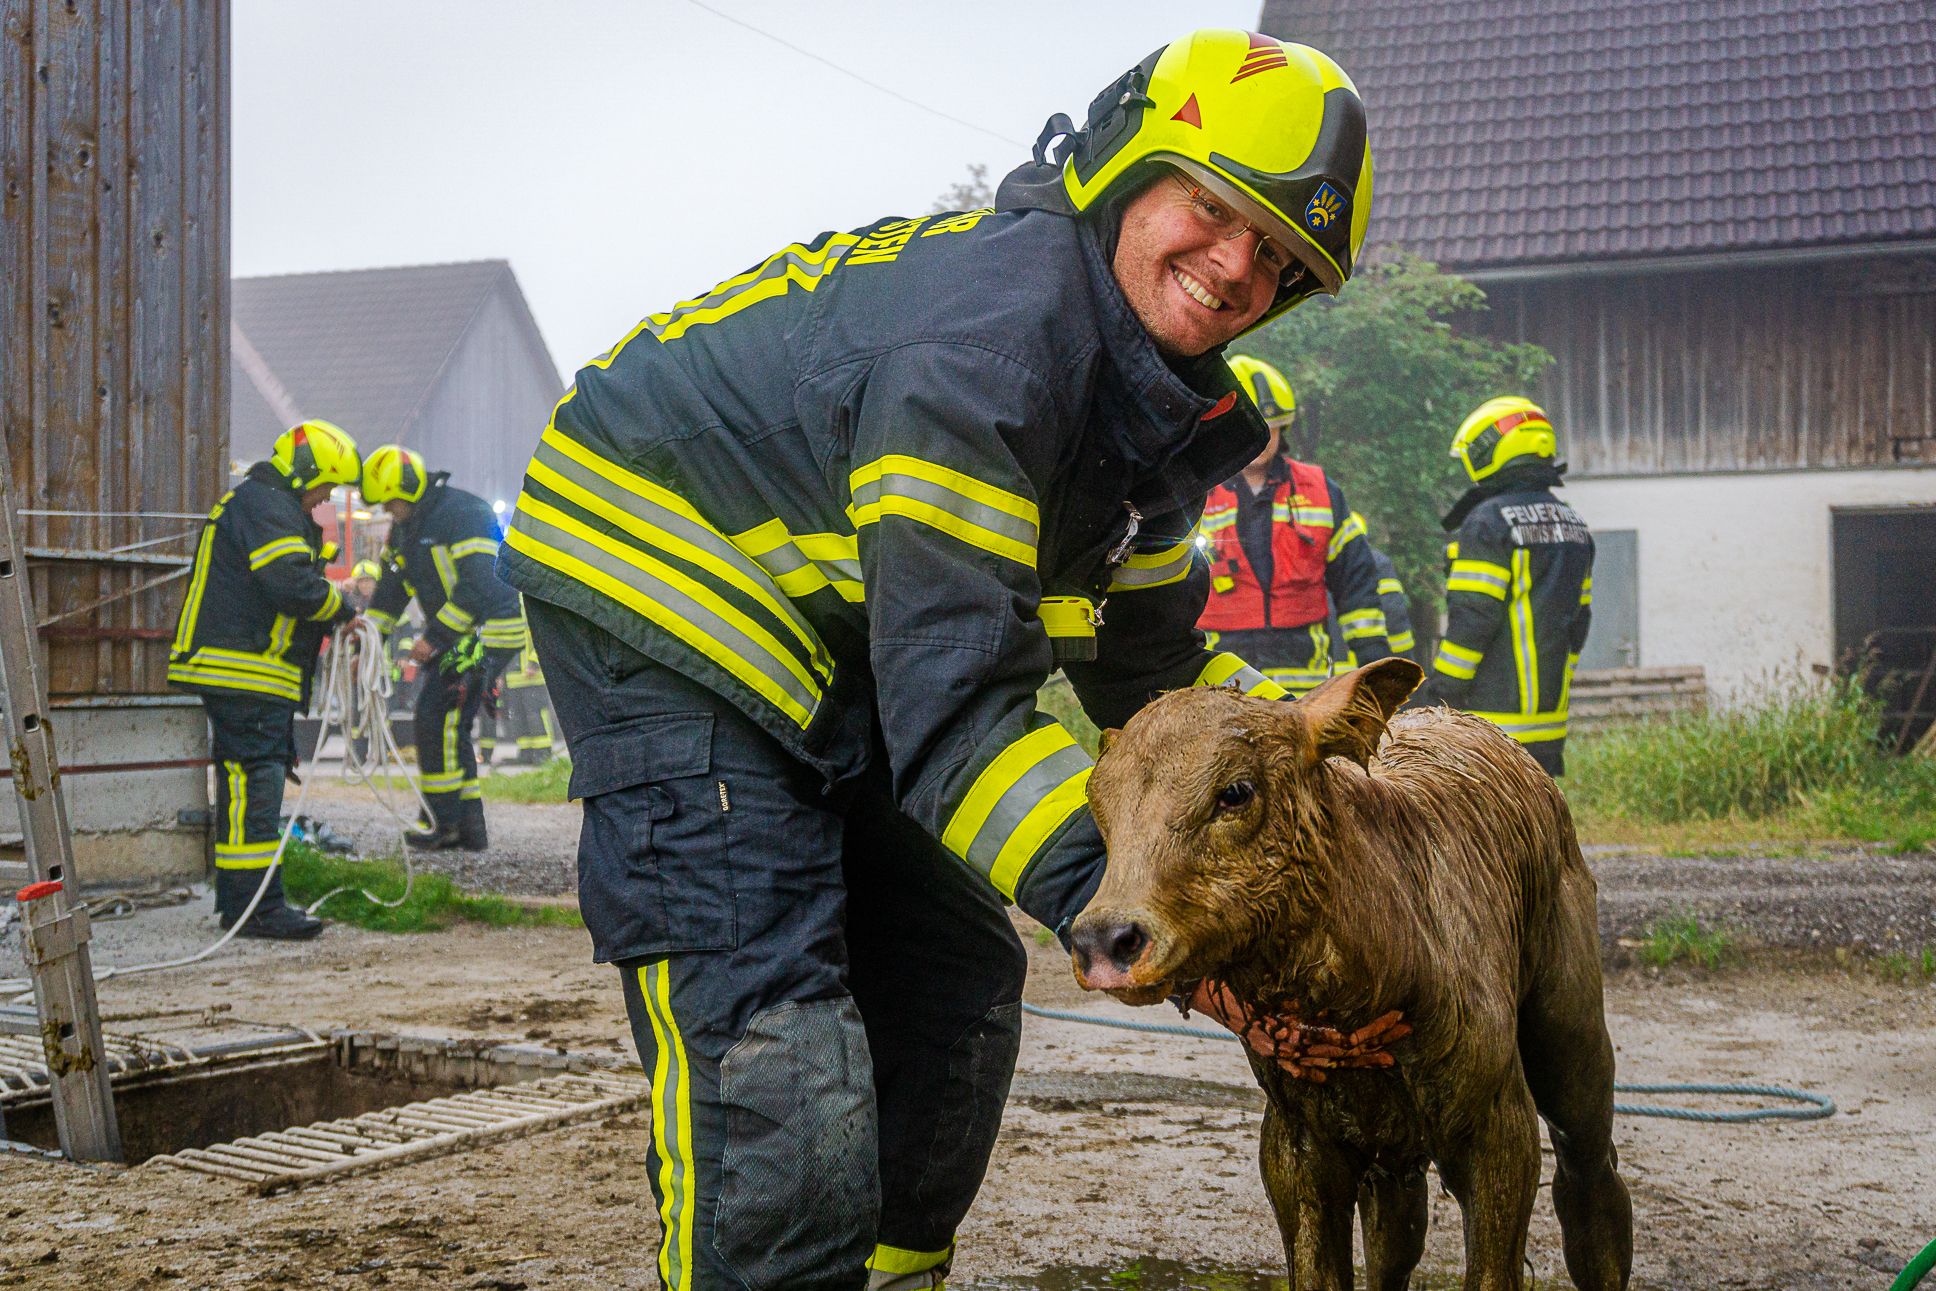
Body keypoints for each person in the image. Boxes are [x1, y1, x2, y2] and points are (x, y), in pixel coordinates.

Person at [500, 29, 1371, 1290]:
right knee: (772, 1023)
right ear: (1129, 166)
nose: (1238, 268)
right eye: (1215, 207)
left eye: (1281, 259)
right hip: (667, 596)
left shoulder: (1142, 410)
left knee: (954, 978)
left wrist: (1291, 856)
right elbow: (959, 710)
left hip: (847, 645)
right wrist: (1145, 911)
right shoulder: (990, 346)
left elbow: (1154, 683)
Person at [167, 420, 362, 939]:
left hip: (251, 676)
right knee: (255, 789)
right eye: (326, 486)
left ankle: (244, 903)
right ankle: (258, 908)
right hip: (245, 675)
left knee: (248, 790)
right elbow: (289, 585)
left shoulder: (263, 504)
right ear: (307, 471)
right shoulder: (267, 505)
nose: (325, 498)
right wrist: (343, 608)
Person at [360, 446, 527, 849]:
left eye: (391, 501)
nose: (388, 509)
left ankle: (445, 823)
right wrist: (366, 644)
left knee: (437, 718)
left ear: (411, 488)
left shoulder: (462, 513)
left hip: (488, 634)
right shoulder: (407, 528)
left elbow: (481, 586)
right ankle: (467, 828)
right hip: (459, 637)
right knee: (448, 722)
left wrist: (433, 639)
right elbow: (390, 592)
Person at [1198, 353, 1391, 692]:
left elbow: (1356, 584)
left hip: (1304, 688)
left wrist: (1375, 667)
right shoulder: (1195, 493)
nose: (1258, 439)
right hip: (1221, 683)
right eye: (1248, 429)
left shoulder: (1319, 490)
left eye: (1268, 429)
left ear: (1283, 428)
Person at [1429, 396, 1594, 776]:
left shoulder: (1489, 522)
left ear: (1493, 451)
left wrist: (1439, 696)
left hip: (1491, 726)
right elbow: (1579, 624)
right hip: (1549, 724)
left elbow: (1473, 621)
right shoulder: (1574, 525)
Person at [1347, 512, 1418, 665]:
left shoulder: (1313, 564)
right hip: (1366, 670)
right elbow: (1393, 613)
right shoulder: (1378, 564)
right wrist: (1403, 661)